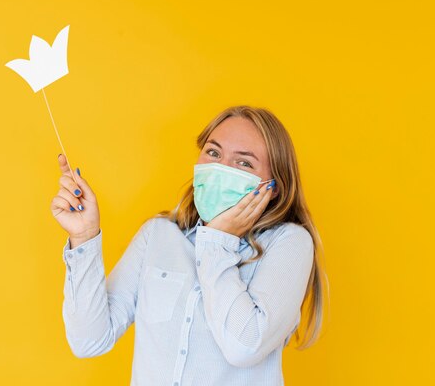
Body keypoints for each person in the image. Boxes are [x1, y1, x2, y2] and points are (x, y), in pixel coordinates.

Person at [51, 105, 328, 385]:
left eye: (243, 163)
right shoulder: (158, 235)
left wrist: (218, 241)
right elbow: (89, 340)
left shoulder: (289, 243)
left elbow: (244, 347)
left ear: (273, 187)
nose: (221, 168)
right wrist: (84, 236)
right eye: (213, 152)